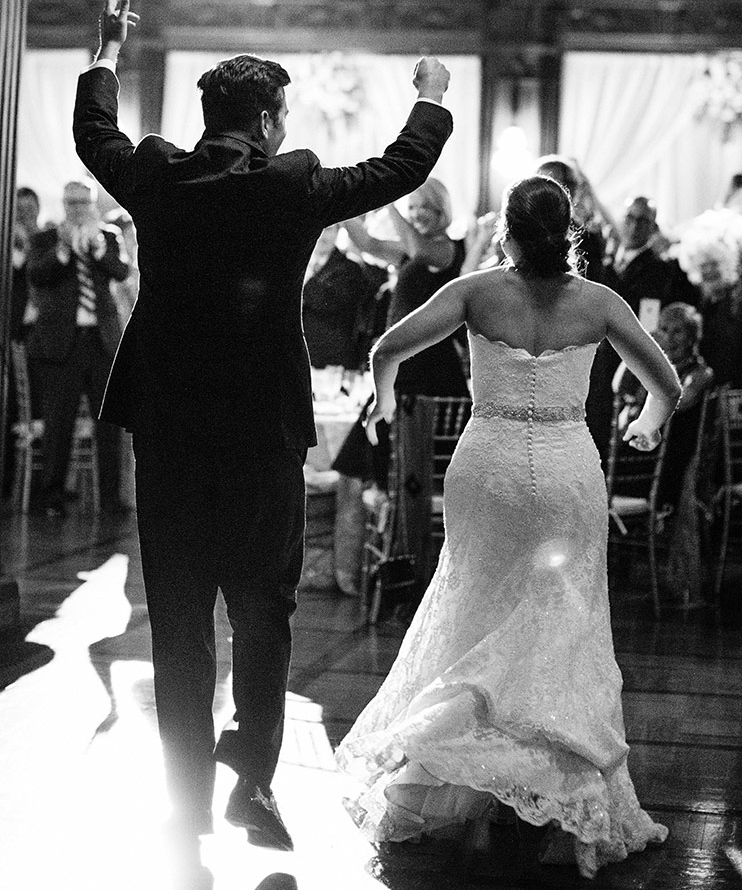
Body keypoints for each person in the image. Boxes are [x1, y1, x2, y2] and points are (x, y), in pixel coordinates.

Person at [74, 0, 453, 861]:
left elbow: (93, 134)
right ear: (271, 120)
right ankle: (251, 775)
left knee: (177, 618)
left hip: (169, 431)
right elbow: (400, 167)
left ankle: (185, 802)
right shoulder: (294, 186)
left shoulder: (158, 177)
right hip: (262, 431)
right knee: (264, 610)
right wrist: (430, 94)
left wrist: (107, 52)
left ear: (209, 115)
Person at [336, 175, 680, 880]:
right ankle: (545, 778)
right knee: (561, 621)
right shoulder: (601, 302)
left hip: (486, 472)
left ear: (508, 234)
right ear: (569, 232)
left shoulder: (476, 292)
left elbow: (387, 349)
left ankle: (456, 760)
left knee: (474, 613)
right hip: (568, 475)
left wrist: (384, 404)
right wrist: (646, 429)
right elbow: (666, 386)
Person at [25, 178, 129, 517]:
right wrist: (63, 251)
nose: (77, 209)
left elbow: (121, 271)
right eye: (71, 203)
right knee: (59, 423)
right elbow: (37, 275)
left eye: (83, 202)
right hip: (60, 344)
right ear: (63, 205)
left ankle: (110, 500)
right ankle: (52, 497)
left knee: (108, 424)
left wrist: (97, 249)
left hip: (101, 342)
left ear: (92, 204)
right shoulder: (46, 239)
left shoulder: (108, 236)